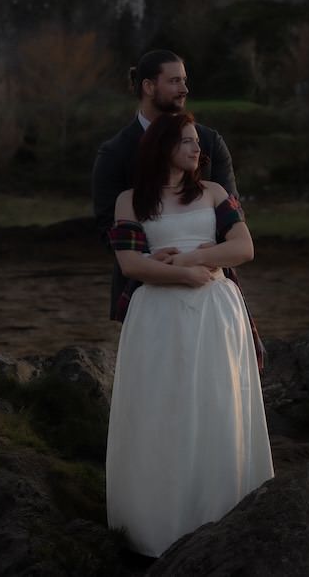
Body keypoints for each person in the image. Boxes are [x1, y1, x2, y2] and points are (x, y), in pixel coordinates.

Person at [104, 112, 274, 556]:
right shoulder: (130, 201)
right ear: (162, 146)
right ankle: (154, 529)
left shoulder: (214, 193)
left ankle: (221, 514)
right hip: (157, 315)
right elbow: (130, 265)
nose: (197, 149)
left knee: (217, 403)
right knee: (162, 408)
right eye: (186, 141)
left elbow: (244, 247)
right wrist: (179, 272)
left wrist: (195, 259)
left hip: (215, 312)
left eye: (196, 141)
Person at [91, 50, 237, 321]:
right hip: (145, 291)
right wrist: (152, 262)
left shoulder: (209, 140)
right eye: (174, 81)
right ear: (148, 86)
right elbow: (107, 226)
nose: (184, 89)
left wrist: (198, 259)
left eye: (184, 80)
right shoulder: (116, 152)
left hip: (208, 286)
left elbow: (232, 215)